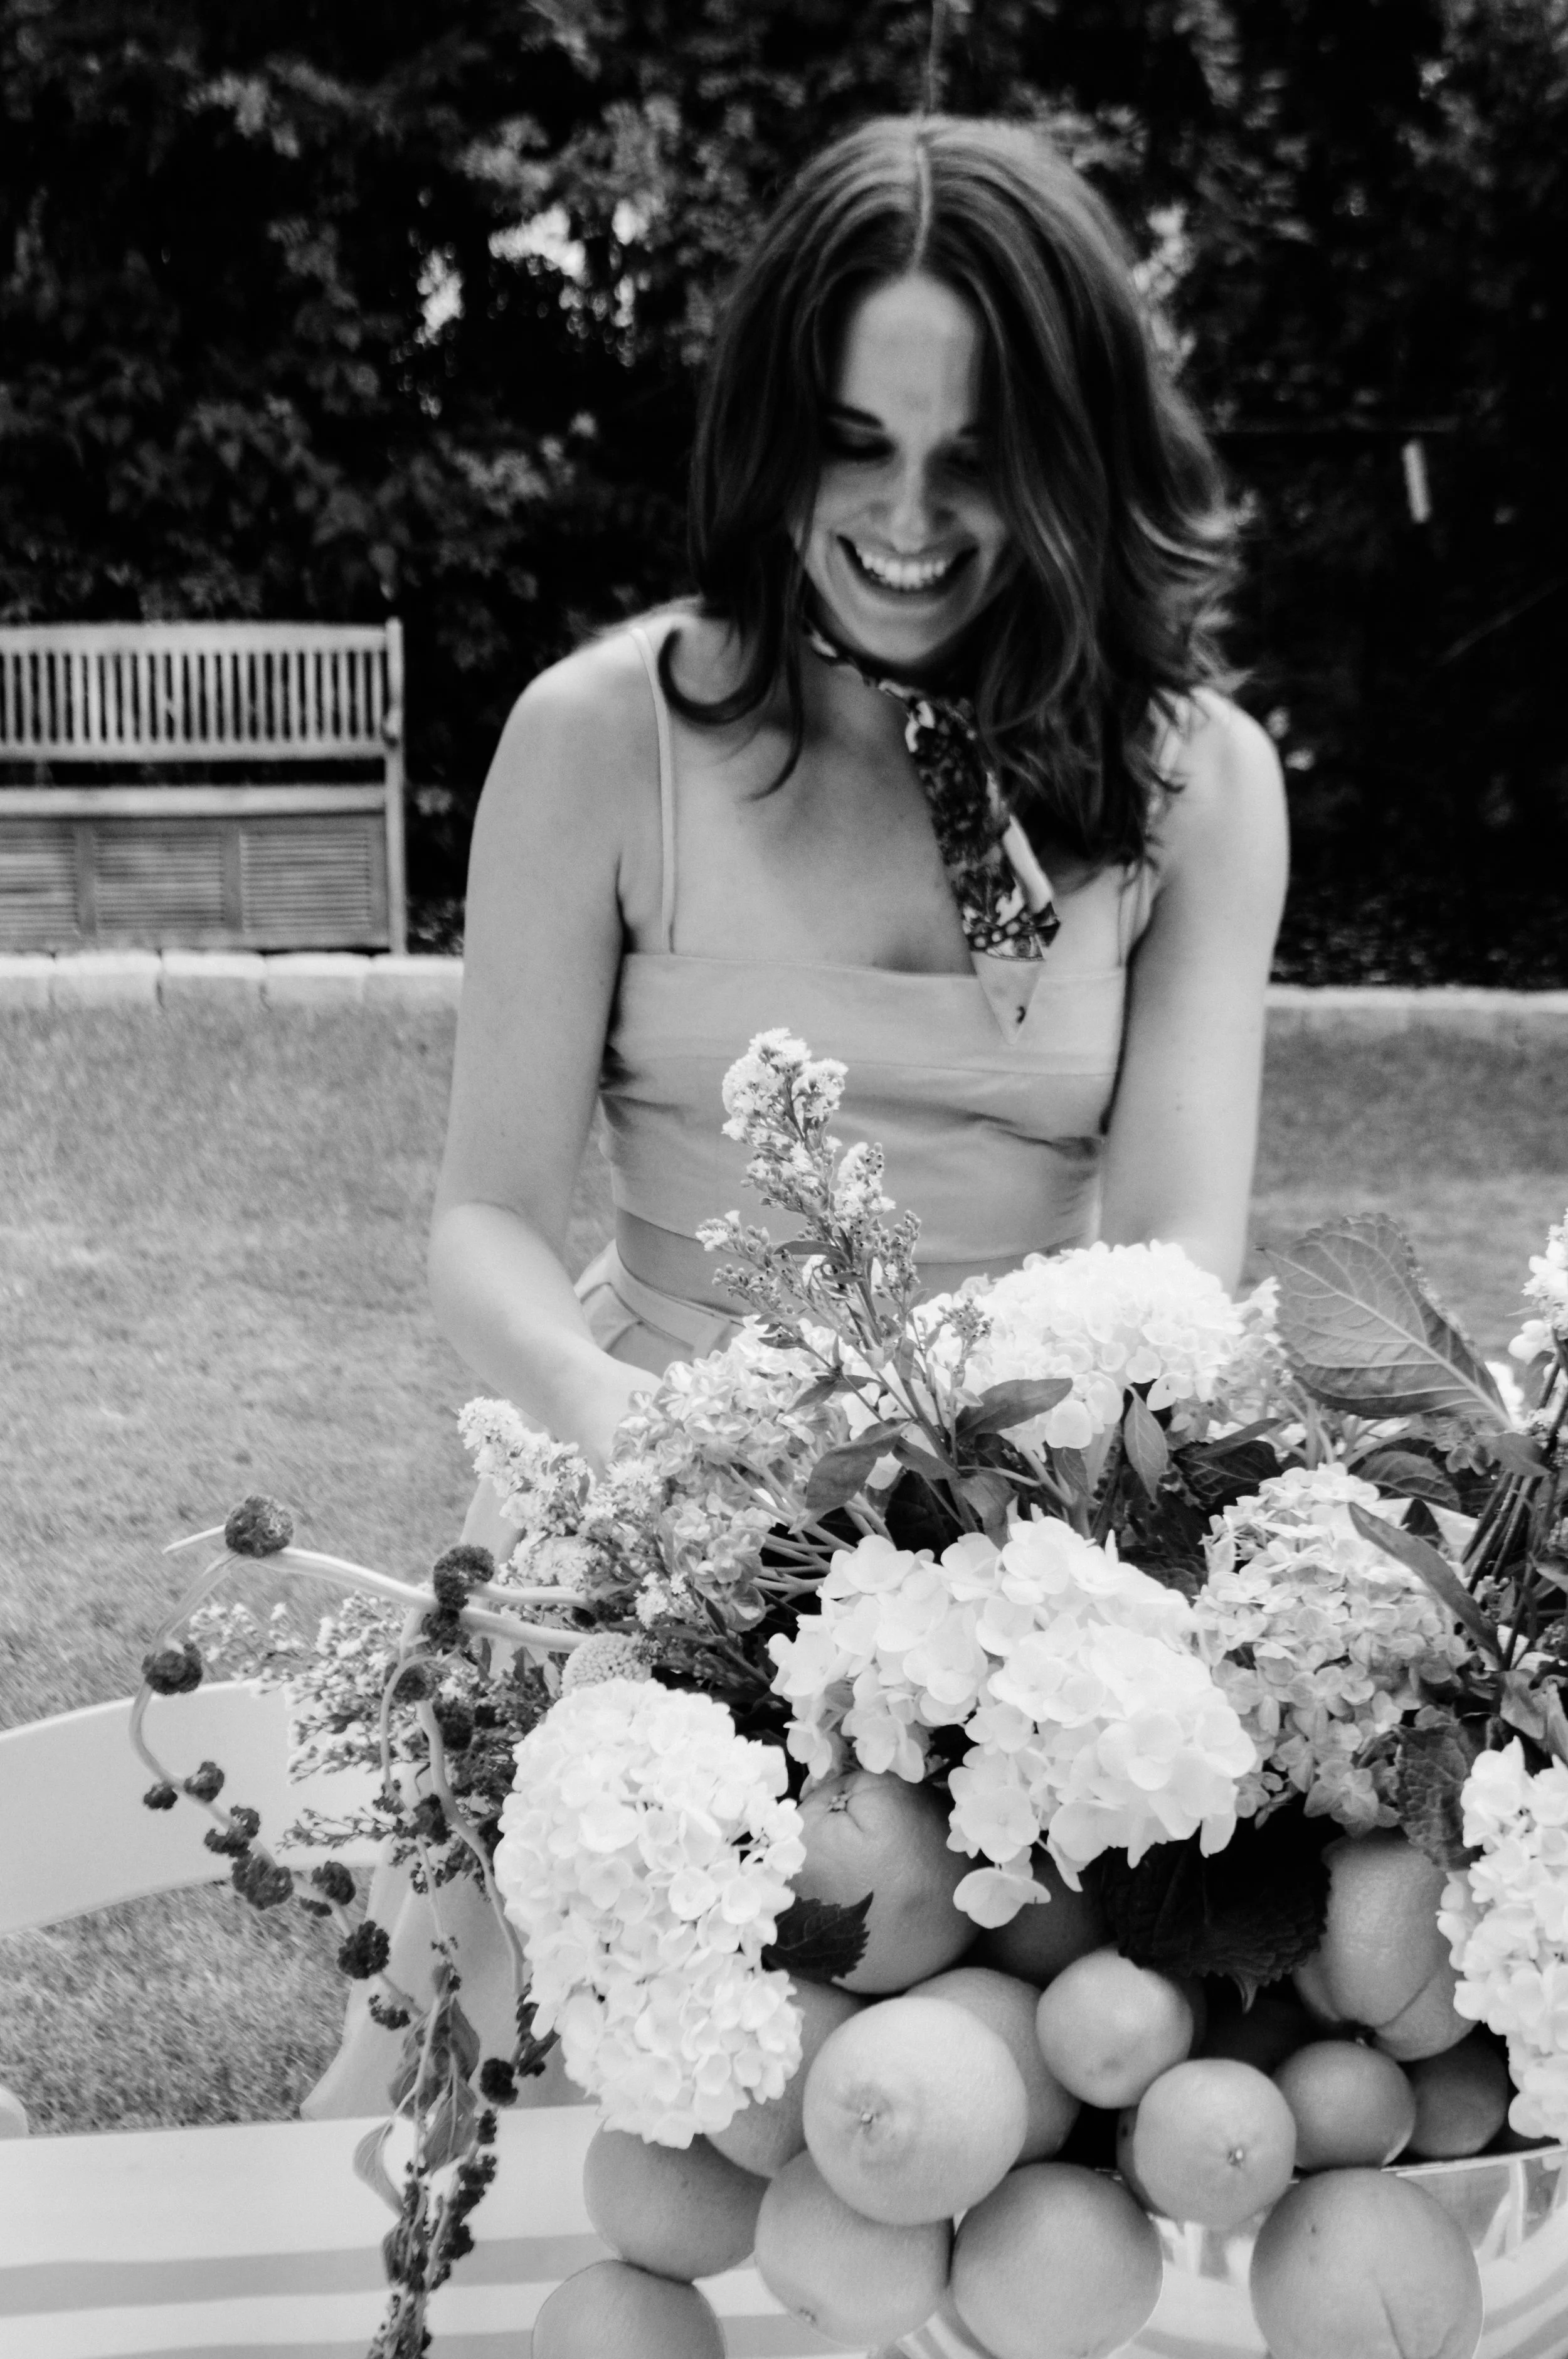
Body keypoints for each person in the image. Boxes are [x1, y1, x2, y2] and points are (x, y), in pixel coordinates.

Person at [304, 112, 1286, 2119]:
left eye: (973, 454)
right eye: (854, 441)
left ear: (1077, 452)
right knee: (499, 2142)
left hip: (1014, 1579)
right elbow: (483, 1221)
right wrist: (653, 1469)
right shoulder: (601, 741)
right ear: (771, 433)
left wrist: (971, 1548)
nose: (907, 517)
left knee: (946, 2144)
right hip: (636, 1535)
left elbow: (1179, 1259)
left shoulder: (1198, 783)